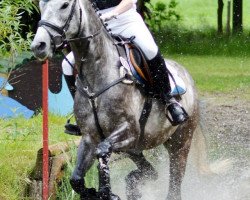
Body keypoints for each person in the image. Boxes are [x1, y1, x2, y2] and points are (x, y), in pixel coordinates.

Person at [62, 0, 188, 127]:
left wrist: (112, 14)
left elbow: (128, 2)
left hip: (125, 21)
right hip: (97, 28)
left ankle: (168, 100)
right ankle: (82, 114)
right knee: (67, 65)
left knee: (150, 49)